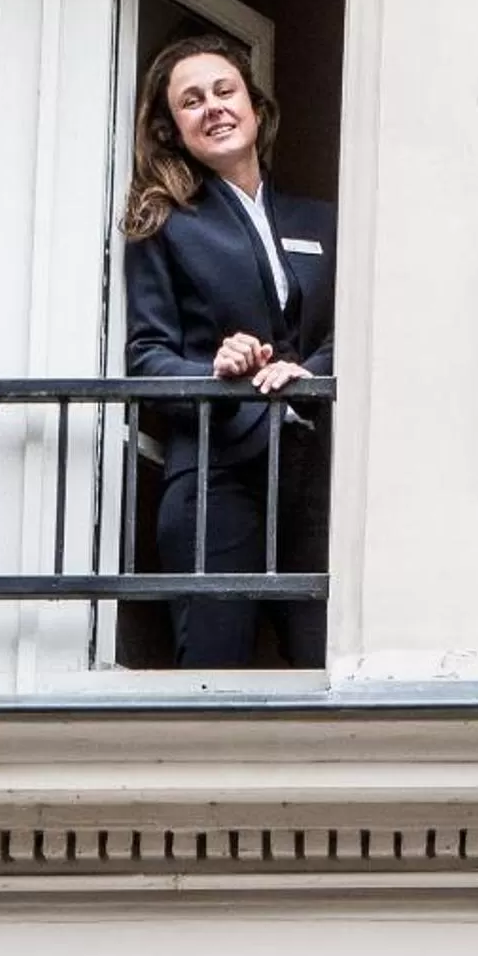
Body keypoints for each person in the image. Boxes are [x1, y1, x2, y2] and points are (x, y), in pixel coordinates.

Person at [119, 33, 336, 669]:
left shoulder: (321, 220)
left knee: (330, 663)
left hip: (314, 478)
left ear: (257, 109)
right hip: (219, 480)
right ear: (172, 130)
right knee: (215, 670)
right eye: (191, 101)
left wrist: (310, 369)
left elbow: (359, 329)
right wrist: (216, 370)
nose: (212, 107)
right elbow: (148, 359)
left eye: (224, 91)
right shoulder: (166, 225)